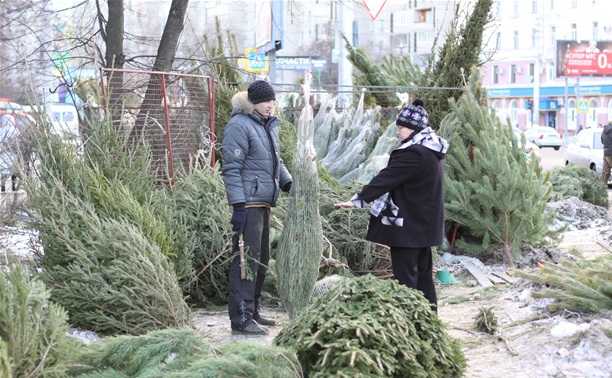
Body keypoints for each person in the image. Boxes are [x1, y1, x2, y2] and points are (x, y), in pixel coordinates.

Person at [334, 99, 448, 313]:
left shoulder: (415, 152)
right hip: (423, 224)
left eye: (400, 128)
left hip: (409, 226)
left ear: (413, 128)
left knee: (406, 278)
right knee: (424, 277)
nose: (398, 132)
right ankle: (429, 320)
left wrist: (358, 199)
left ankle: (408, 320)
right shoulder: (431, 148)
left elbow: (386, 178)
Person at [222, 80, 292, 335]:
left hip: (263, 202)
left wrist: (288, 183)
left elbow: (276, 160)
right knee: (245, 261)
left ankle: (253, 310)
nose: (270, 106)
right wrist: (238, 206)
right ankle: (240, 318)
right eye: (265, 101)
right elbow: (231, 169)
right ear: (253, 102)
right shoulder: (239, 126)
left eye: (272, 101)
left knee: (261, 259)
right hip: (249, 204)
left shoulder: (267, 125)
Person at [601, 119, 612, 185]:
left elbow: (602, 141)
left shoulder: (604, 131)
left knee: (606, 170)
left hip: (606, 153)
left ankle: (602, 186)